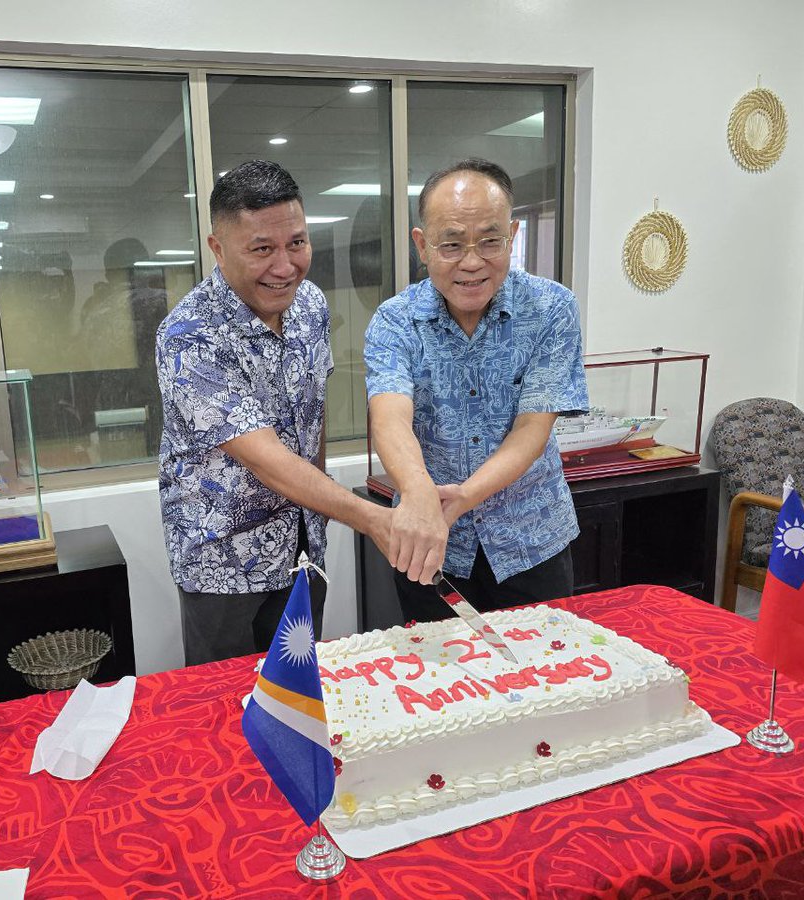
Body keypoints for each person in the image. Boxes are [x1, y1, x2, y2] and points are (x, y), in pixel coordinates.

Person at [157, 160, 392, 666]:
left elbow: (314, 411)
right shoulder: (189, 335)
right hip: (223, 564)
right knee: (228, 700)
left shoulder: (310, 306)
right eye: (262, 249)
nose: (285, 267)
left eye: (297, 243)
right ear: (218, 248)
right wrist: (375, 521)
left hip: (303, 549)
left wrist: (321, 509)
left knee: (300, 690)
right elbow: (265, 459)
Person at [364, 158, 587, 622]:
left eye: (490, 241)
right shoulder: (395, 321)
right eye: (451, 244)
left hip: (532, 542)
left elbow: (532, 428)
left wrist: (463, 496)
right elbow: (390, 417)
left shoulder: (551, 308)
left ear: (513, 235)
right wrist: (419, 494)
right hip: (430, 544)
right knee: (441, 666)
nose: (471, 262)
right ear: (422, 245)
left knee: (545, 663)